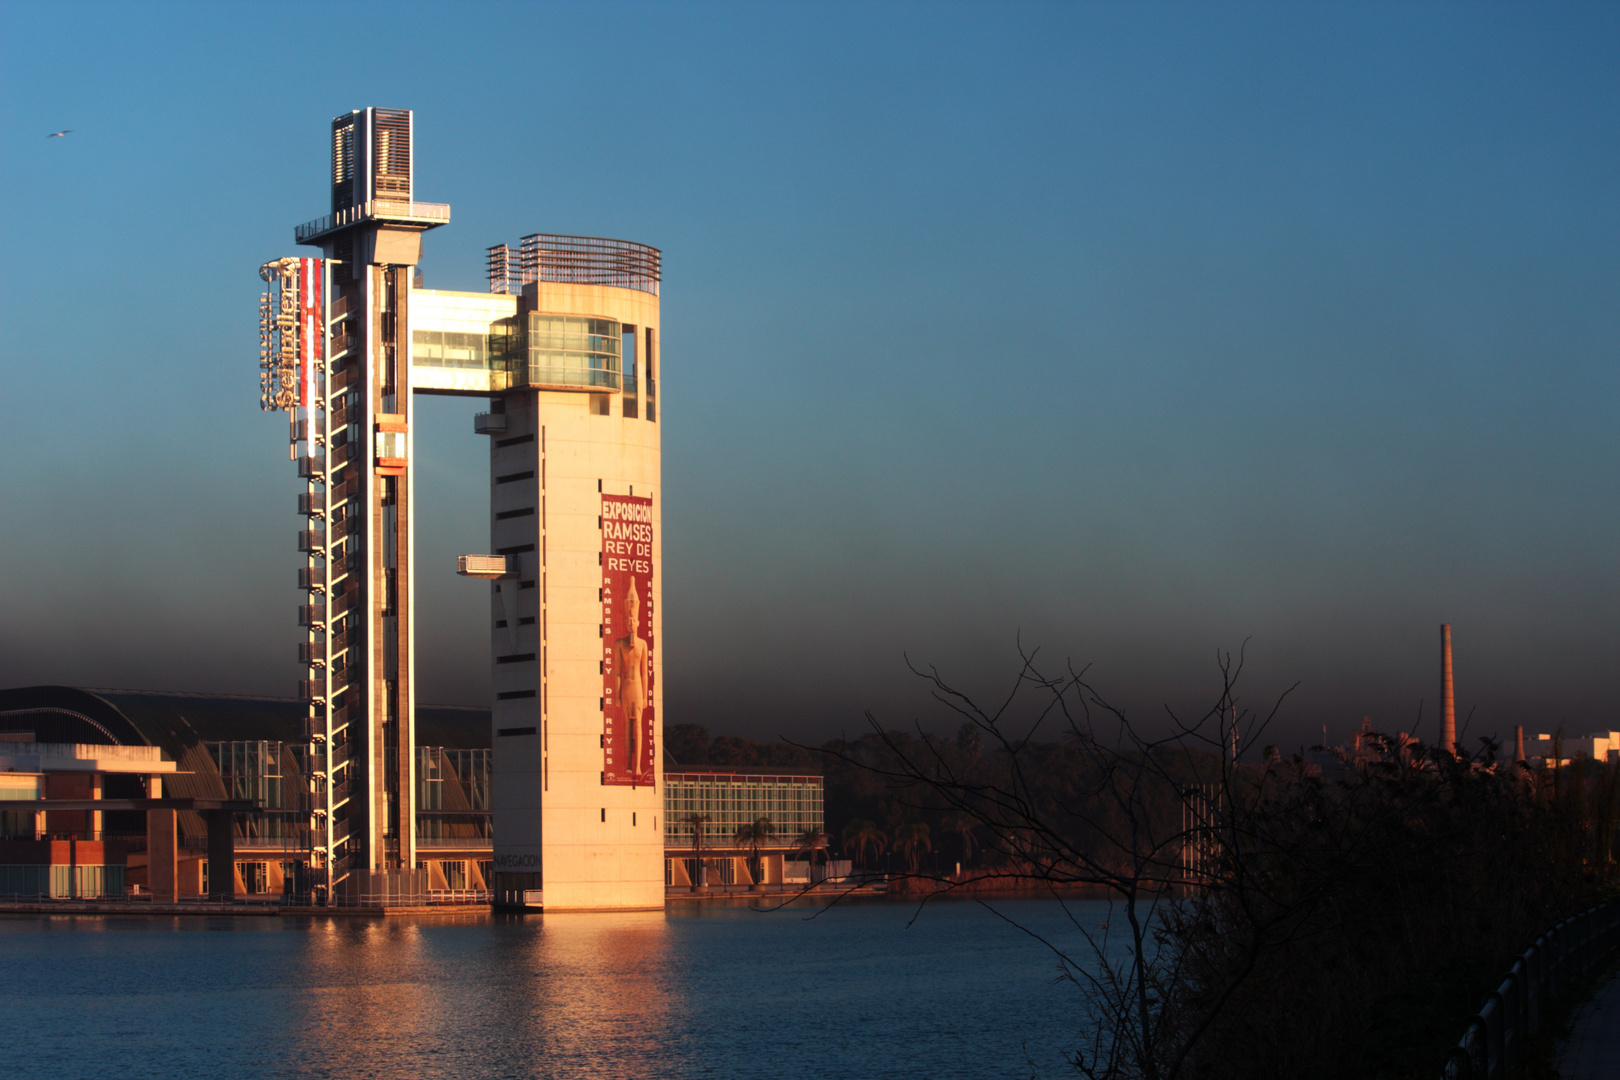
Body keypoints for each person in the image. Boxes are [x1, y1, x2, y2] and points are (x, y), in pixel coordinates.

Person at [614, 580, 649, 776]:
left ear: (638, 622)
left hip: (637, 688)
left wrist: (645, 697)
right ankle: (628, 764)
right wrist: (618, 695)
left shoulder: (643, 644)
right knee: (627, 726)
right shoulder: (619, 643)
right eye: (628, 621)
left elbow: (645, 673)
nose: (630, 623)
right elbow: (617, 672)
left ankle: (637, 766)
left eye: (633, 621)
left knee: (638, 725)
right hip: (626, 687)